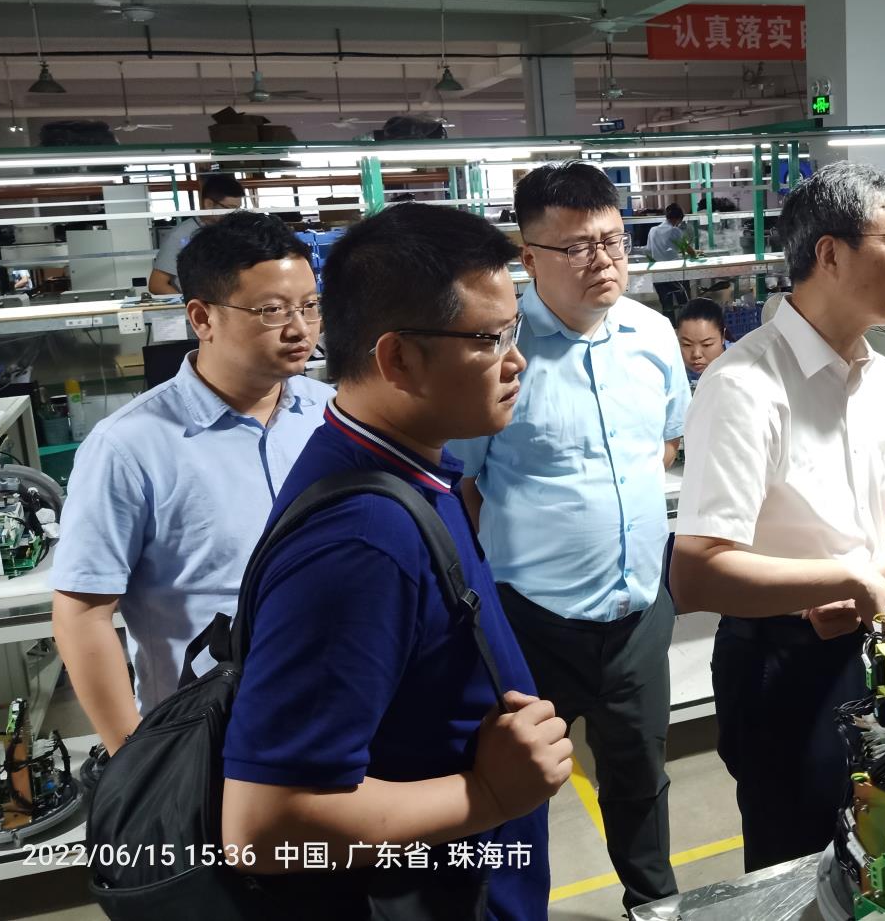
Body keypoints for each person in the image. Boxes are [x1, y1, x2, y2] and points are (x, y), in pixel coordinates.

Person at [222, 203, 571, 918]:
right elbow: (262, 829)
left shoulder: (400, 468)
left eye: (514, 331)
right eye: (489, 339)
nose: (516, 361)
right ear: (398, 359)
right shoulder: (363, 540)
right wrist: (490, 795)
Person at [671, 160, 885, 872]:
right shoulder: (744, 386)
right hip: (780, 663)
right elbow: (696, 573)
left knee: (881, 849)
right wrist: (849, 581)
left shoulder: (883, 377)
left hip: (868, 644)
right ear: (830, 253)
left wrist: (863, 584)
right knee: (797, 865)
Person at [456, 161, 689, 912]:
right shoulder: (495, 352)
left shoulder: (653, 335)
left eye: (614, 240)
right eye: (579, 247)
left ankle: (653, 904)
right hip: (531, 623)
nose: (605, 260)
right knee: (513, 789)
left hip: (639, 614)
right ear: (529, 257)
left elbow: (665, 443)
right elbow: (463, 484)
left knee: (640, 777)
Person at [52, 211, 331, 750]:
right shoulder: (129, 447)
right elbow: (82, 615)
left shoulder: (332, 416)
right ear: (202, 318)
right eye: (272, 310)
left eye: (310, 306)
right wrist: (136, 763)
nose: (300, 328)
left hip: (335, 713)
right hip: (206, 736)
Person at [147, 172, 245, 295]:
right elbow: (157, 284)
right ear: (209, 204)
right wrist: (189, 303)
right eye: (230, 208)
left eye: (238, 209)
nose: (234, 214)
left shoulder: (231, 232)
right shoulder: (180, 236)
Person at [647, 203, 692, 315]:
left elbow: (648, 251)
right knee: (684, 303)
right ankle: (685, 321)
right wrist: (696, 253)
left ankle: (670, 324)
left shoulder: (652, 230)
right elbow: (689, 250)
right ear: (678, 219)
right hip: (674, 273)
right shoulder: (675, 231)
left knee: (667, 306)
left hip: (657, 273)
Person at [675, 297, 728, 386]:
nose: (696, 354)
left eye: (706, 344)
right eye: (687, 344)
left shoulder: (738, 366)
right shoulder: (672, 369)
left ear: (723, 336)